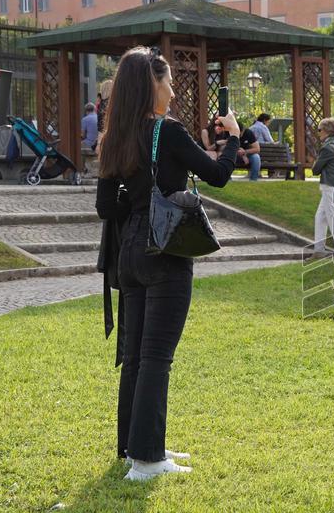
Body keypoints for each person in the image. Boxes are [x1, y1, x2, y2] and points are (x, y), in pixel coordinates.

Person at [94, 46, 239, 481]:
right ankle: (147, 462)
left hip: (131, 254)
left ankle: (136, 448)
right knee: (157, 356)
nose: (173, 92)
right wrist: (232, 137)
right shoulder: (167, 132)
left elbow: (105, 207)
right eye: (170, 82)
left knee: (137, 356)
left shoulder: (114, 136)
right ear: (152, 84)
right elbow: (217, 175)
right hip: (166, 251)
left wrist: (137, 203)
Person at [311, 117, 334, 259]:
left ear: (326, 131)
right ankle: (319, 250)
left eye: (319, 130)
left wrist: (315, 161)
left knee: (333, 219)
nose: (318, 133)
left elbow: (315, 170)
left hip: (330, 187)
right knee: (320, 217)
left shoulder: (326, 148)